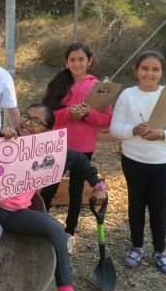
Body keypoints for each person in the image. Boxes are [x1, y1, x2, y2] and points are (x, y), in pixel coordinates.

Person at [0, 103, 107, 291]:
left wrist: (98, 184)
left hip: (16, 214)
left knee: (55, 230)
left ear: (46, 132)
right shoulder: (4, 141)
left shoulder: (48, 152)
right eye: (25, 117)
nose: (28, 124)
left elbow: (80, 160)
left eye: (36, 122)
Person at [110, 50, 166, 276]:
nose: (150, 73)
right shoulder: (128, 95)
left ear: (162, 73)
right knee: (136, 204)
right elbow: (115, 128)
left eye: (155, 69)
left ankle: (159, 251)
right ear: (136, 71)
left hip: (160, 161)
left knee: (158, 207)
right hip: (133, 160)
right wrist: (133, 130)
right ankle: (137, 247)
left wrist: (163, 134)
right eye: (145, 68)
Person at [40, 42, 112, 254]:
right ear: (66, 62)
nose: (77, 63)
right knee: (49, 186)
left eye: (81, 59)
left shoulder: (98, 87)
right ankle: (39, 226)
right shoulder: (59, 84)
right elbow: (48, 116)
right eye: (72, 59)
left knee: (76, 190)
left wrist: (88, 113)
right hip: (58, 144)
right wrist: (69, 113)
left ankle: (69, 233)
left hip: (83, 147)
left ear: (89, 61)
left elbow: (106, 119)